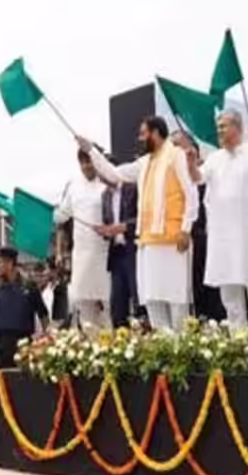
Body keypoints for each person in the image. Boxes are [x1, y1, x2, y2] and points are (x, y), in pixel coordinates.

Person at [79, 115, 199, 331]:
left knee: (177, 301)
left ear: (156, 133)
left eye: (144, 134)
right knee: (153, 301)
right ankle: (164, 346)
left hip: (174, 241)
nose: (140, 138)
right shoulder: (144, 163)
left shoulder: (176, 156)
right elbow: (114, 174)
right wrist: (90, 150)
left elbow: (191, 194)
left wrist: (186, 229)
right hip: (148, 244)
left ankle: (182, 346)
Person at [195, 110, 248, 327]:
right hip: (222, 238)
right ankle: (238, 341)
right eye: (218, 127)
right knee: (230, 299)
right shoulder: (214, 158)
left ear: (237, 126)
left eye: (224, 126)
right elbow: (197, 179)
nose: (219, 130)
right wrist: (190, 162)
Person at [55, 148, 112, 329]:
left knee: (108, 305)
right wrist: (50, 212)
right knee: (83, 304)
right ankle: (90, 343)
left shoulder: (108, 182)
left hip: (104, 254)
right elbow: (61, 217)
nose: (87, 166)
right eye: (83, 162)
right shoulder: (73, 186)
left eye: (90, 161)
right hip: (81, 255)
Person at [0, 247, 48, 369]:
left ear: (10, 263)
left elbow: (43, 314)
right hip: (0, 346)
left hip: (24, 345)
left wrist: (47, 339)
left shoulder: (29, 286)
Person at [99, 160, 138, 328]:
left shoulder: (133, 188)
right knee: (117, 305)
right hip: (116, 254)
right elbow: (107, 221)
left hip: (134, 251)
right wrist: (105, 231)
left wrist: (122, 227)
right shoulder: (105, 196)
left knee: (138, 299)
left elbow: (143, 219)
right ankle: (121, 337)